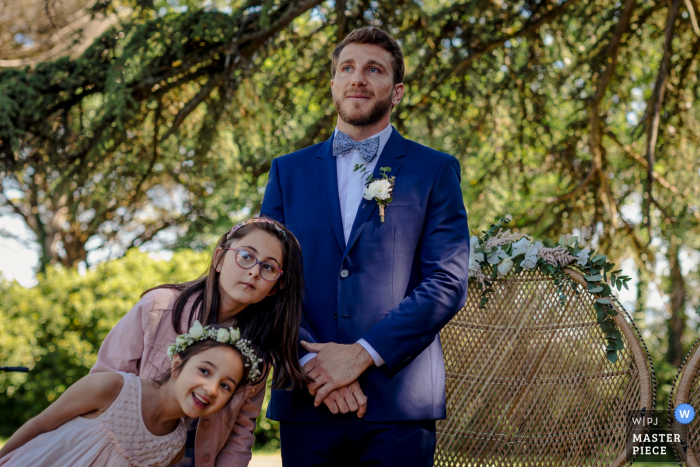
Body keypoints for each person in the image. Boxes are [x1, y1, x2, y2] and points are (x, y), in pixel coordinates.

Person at [260, 26, 470, 466]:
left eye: (373, 70)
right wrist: (317, 369)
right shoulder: (287, 172)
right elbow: (267, 279)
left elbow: (447, 281)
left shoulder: (434, 170)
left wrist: (359, 356)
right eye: (347, 68)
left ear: (396, 93)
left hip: (398, 402)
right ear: (333, 83)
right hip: (307, 397)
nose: (358, 78)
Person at [90, 217, 310, 466]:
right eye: (246, 256)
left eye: (268, 268)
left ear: (274, 288)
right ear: (218, 259)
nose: (254, 272)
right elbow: (103, 383)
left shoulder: (256, 354)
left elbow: (240, 435)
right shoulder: (158, 308)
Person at [0, 321, 258, 467]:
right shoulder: (111, 388)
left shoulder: (174, 448)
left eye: (226, 386)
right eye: (204, 370)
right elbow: (39, 424)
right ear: (177, 364)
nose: (212, 389)